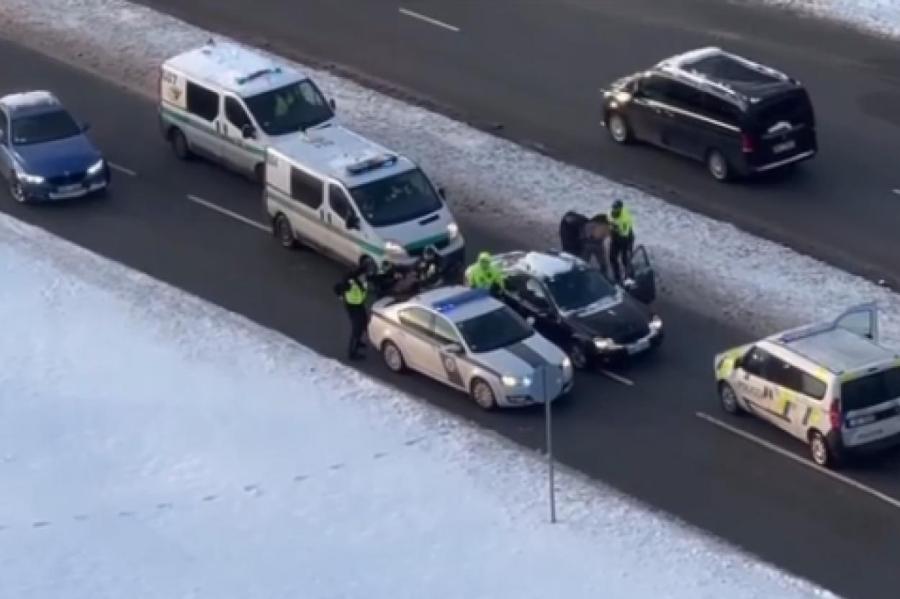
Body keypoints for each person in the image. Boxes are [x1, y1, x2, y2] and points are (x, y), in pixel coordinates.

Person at [333, 255, 375, 360]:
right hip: (352, 306)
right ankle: (352, 353)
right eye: (364, 274)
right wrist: (341, 296)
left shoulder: (362, 277)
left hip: (359, 304)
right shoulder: (350, 281)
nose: (365, 277)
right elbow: (336, 288)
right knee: (357, 328)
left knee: (364, 322)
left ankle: (358, 342)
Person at [609, 200, 635, 283]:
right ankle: (617, 277)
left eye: (616, 208)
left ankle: (630, 277)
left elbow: (625, 232)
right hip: (616, 238)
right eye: (613, 207)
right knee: (612, 257)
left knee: (625, 259)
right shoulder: (611, 213)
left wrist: (615, 228)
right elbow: (609, 222)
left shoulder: (625, 218)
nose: (613, 209)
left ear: (620, 208)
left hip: (626, 240)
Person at [582, 213, 611, 278]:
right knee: (602, 263)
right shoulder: (605, 226)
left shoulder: (589, 224)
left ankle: (582, 274)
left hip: (588, 244)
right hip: (598, 245)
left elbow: (585, 234)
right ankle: (604, 276)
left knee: (584, 261)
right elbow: (607, 235)